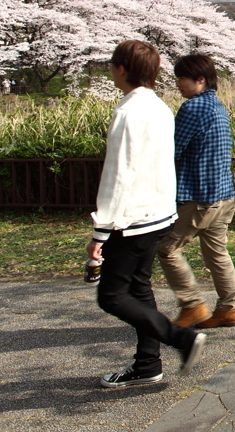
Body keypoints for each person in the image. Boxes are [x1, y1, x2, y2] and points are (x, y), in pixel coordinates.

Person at [87, 40, 206, 389]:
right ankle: (147, 365)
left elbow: (117, 175)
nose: (110, 69)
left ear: (122, 69)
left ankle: (181, 339)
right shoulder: (158, 107)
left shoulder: (128, 112)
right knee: (138, 289)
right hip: (158, 214)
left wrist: (100, 232)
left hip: (133, 219)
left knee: (112, 296)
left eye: (112, 64)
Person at [157, 54, 235, 329]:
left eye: (182, 78)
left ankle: (192, 305)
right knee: (217, 254)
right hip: (224, 196)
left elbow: (172, 150)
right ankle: (230, 309)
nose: (178, 83)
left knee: (167, 248)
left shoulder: (193, 108)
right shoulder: (217, 106)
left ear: (200, 79)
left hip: (200, 198)